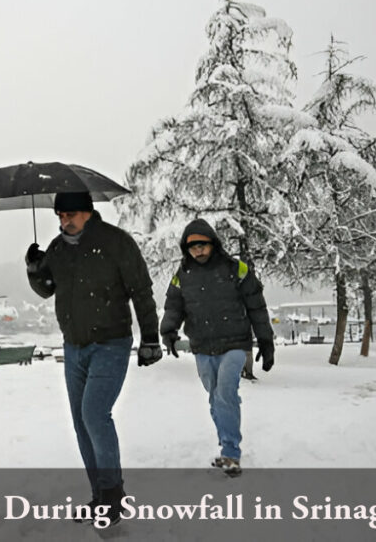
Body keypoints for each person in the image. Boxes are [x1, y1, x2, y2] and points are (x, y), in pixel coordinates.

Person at [25, 191, 161, 523]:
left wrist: (151, 339)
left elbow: (141, 290)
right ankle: (100, 496)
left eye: (70, 214)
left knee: (95, 414)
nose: (64, 220)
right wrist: (33, 268)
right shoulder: (57, 249)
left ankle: (113, 497)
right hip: (74, 346)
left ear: (88, 212)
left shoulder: (116, 242)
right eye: (59, 215)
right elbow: (47, 288)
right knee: (81, 423)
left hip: (111, 342)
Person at [159, 218, 275, 477]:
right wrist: (168, 332)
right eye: (192, 246)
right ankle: (226, 442)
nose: (198, 250)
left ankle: (231, 453)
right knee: (216, 397)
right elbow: (173, 306)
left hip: (235, 344)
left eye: (203, 244)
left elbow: (257, 306)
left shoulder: (237, 269)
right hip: (202, 346)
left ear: (213, 243)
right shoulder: (182, 276)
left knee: (224, 392)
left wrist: (266, 341)